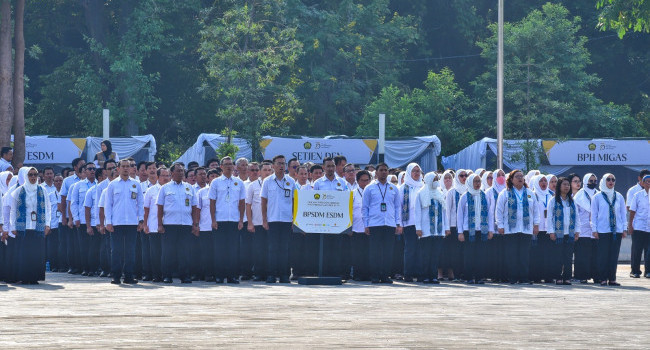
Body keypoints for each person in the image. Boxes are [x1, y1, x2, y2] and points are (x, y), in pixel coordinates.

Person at [495, 169, 540, 284]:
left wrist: (536, 225)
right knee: (511, 255)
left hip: (526, 229)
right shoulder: (504, 193)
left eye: (521, 176)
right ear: (511, 179)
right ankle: (513, 278)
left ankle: (524, 278)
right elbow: (499, 211)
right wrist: (500, 225)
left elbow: (536, 211)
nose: (520, 178)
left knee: (524, 255)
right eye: (517, 176)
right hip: (510, 229)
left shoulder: (530, 193)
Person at [157, 163, 199, 284]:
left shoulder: (189, 188)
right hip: (169, 224)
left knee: (184, 252)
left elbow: (195, 207)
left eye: (182, 171)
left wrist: (195, 224)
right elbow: (160, 207)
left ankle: (185, 276)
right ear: (172, 173)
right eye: (178, 171)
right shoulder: (165, 188)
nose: (181, 173)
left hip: (185, 224)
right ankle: (167, 275)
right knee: (168, 252)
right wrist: (159, 224)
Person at [104, 159, 145, 285]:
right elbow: (108, 205)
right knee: (116, 250)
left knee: (130, 251)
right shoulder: (113, 185)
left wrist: (141, 220)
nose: (126, 168)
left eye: (129, 166)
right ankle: (115, 276)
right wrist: (108, 222)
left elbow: (141, 203)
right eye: (124, 166)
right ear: (118, 168)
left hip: (132, 222)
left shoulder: (136, 184)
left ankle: (128, 276)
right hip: (117, 222)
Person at [9, 167, 51, 284]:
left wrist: (47, 224)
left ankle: (35, 277)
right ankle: (24, 277)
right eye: (30, 175)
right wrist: (13, 227)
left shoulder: (42, 190)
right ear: (25, 177)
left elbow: (48, 208)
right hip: (23, 227)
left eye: (35, 175)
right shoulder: (18, 191)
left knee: (37, 253)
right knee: (24, 253)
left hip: (38, 227)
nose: (33, 177)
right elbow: (13, 210)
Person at [362, 163, 402, 283]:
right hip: (374, 223)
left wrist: (398, 223)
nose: (384, 172)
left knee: (388, 251)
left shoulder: (394, 188)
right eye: (381, 170)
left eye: (386, 170)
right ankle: (375, 275)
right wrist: (366, 224)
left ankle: (385, 276)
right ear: (376, 172)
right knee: (375, 251)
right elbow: (365, 207)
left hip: (389, 224)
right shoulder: (369, 188)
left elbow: (397, 207)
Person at [209, 156, 246, 284]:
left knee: (233, 250)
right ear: (221, 166)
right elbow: (212, 202)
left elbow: (242, 203)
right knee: (219, 250)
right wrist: (213, 220)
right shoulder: (216, 182)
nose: (229, 166)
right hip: (220, 220)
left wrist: (241, 220)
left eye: (231, 164)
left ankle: (232, 276)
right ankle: (219, 276)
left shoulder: (239, 182)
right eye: (226, 164)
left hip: (234, 220)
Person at [261, 155, 296, 283]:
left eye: (283, 163)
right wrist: (264, 220)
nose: (281, 166)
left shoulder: (291, 181)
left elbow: (294, 201)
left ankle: (284, 275)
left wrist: (294, 220)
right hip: (272, 219)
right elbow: (263, 202)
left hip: (287, 220)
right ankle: (271, 274)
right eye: (279, 163)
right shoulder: (267, 181)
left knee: (285, 248)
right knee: (272, 248)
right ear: (273, 165)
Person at [313, 157, 350, 278]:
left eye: (333, 166)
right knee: (324, 247)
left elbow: (347, 200)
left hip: (338, 221)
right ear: (323, 167)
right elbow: (313, 202)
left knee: (337, 247)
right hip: (322, 221)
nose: (331, 168)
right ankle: (323, 272)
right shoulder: (318, 183)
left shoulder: (342, 182)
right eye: (328, 166)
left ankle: (335, 273)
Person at [456, 173, 494, 284]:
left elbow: (489, 214)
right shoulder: (465, 196)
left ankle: (479, 277)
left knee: (481, 255)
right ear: (470, 182)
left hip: (482, 230)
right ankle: (468, 277)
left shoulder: (484, 196)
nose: (477, 184)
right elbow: (460, 215)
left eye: (479, 181)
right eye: (475, 181)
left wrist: (490, 229)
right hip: (468, 230)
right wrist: (460, 232)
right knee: (469, 255)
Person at [591, 173, 627, 286]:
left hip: (616, 230)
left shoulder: (619, 196)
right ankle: (602, 278)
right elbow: (594, 215)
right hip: (602, 230)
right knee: (603, 255)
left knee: (613, 255)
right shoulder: (597, 197)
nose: (611, 181)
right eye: (608, 179)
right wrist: (594, 229)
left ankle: (612, 279)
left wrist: (624, 228)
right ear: (603, 181)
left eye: (613, 179)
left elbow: (623, 214)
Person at [415, 172, 449, 284]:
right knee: (425, 254)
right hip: (426, 230)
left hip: (438, 231)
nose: (436, 181)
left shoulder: (440, 193)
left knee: (435, 255)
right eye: (434, 179)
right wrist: (418, 228)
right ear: (428, 180)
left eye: (437, 179)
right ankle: (425, 276)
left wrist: (446, 228)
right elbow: (417, 212)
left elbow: (444, 212)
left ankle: (433, 276)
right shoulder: (421, 193)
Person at [546, 177, 581, 285]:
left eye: (568, 185)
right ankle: (558, 277)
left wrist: (577, 231)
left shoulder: (571, 201)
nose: (567, 187)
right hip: (558, 233)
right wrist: (551, 231)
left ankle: (567, 277)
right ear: (559, 186)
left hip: (569, 233)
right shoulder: (553, 200)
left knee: (568, 257)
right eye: (564, 184)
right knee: (558, 256)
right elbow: (550, 217)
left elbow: (577, 217)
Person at [70, 163, 98, 276]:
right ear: (84, 171)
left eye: (94, 169)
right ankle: (85, 268)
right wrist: (75, 218)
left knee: (95, 247)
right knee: (83, 246)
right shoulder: (78, 185)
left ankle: (94, 268)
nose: (92, 171)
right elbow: (73, 203)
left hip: (95, 221)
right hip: (82, 220)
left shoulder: (98, 185)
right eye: (89, 169)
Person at [59, 157, 85, 274]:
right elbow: (63, 200)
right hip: (71, 217)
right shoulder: (68, 181)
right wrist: (64, 217)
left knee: (82, 244)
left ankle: (83, 266)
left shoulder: (89, 180)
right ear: (75, 167)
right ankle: (72, 266)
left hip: (84, 218)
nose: (84, 166)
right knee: (72, 243)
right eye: (81, 165)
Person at [143, 167, 169, 282]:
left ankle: (167, 274)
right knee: (155, 252)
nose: (166, 178)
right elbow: (146, 209)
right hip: (153, 225)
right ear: (158, 177)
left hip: (169, 225)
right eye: (163, 175)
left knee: (167, 252)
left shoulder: (171, 189)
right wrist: (145, 224)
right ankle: (156, 275)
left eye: (168, 176)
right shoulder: (151, 190)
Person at [400, 163, 424, 282]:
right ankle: (408, 274)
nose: (416, 173)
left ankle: (420, 274)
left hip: (423, 224)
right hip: (409, 223)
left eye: (418, 171)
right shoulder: (403, 188)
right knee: (410, 249)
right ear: (409, 173)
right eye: (414, 171)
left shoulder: (423, 186)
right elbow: (399, 207)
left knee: (421, 249)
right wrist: (399, 224)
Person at [573, 173, 599, 283]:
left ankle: (595, 275)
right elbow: (575, 214)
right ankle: (581, 276)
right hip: (583, 229)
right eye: (590, 181)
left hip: (596, 230)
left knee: (595, 255)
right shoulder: (579, 195)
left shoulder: (598, 194)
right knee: (582, 255)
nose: (592, 183)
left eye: (594, 181)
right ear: (585, 181)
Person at [444, 169, 468, 281]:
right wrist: (447, 227)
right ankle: (457, 274)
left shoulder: (469, 190)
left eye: (465, 175)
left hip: (466, 226)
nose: (464, 178)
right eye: (461, 176)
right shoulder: (452, 192)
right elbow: (448, 210)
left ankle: (464, 273)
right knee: (455, 251)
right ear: (457, 178)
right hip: (454, 226)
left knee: (465, 251)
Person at [529, 174, 554, 283]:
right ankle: (536, 276)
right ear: (536, 182)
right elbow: (532, 212)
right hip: (538, 229)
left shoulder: (552, 195)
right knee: (537, 254)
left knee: (549, 254)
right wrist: (535, 225)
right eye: (541, 181)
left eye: (545, 181)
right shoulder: (532, 195)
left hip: (549, 229)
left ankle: (548, 276)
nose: (544, 183)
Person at [626, 169, 650, 278]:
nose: (649, 183)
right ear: (643, 183)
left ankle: (648, 271)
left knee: (649, 251)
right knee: (637, 250)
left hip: (649, 227)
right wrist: (630, 225)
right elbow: (632, 211)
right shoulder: (637, 195)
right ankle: (635, 271)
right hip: (638, 227)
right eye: (647, 181)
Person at [245, 164, 267, 281]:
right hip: (257, 222)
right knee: (258, 249)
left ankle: (270, 272)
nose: (267, 172)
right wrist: (250, 222)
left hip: (271, 221)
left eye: (269, 170)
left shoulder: (273, 183)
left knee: (270, 249)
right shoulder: (252, 185)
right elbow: (248, 205)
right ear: (260, 172)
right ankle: (259, 273)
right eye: (264, 170)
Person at [196, 168, 218, 282]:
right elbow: (197, 210)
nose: (214, 178)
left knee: (218, 252)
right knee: (206, 252)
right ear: (208, 178)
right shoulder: (202, 192)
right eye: (212, 176)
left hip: (219, 226)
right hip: (205, 226)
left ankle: (218, 273)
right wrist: (196, 225)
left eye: (216, 176)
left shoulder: (222, 191)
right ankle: (207, 274)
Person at [351, 170, 372, 281]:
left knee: (369, 252)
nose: (365, 183)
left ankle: (368, 274)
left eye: (367, 180)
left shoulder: (373, 192)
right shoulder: (353, 193)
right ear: (358, 181)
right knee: (358, 253)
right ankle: (357, 274)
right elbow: (348, 211)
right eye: (363, 181)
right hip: (357, 227)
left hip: (371, 227)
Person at [486, 169, 506, 282]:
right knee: (494, 252)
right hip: (493, 227)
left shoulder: (508, 191)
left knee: (504, 252)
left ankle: (504, 275)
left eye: (503, 175)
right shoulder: (489, 192)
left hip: (506, 228)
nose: (501, 177)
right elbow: (488, 211)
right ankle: (495, 275)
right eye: (498, 175)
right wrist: (490, 229)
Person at [41, 167, 61, 273]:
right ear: (43, 176)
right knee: (50, 246)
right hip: (50, 223)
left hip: (60, 223)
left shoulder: (58, 188)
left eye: (51, 173)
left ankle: (61, 265)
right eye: (47, 173)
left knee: (60, 245)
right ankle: (52, 265)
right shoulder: (41, 188)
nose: (49, 175)